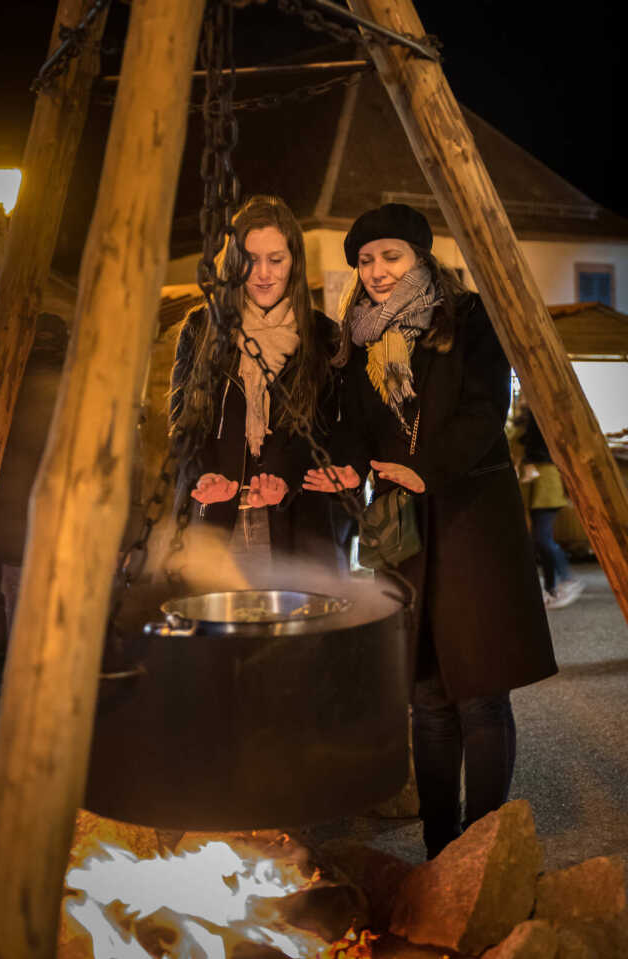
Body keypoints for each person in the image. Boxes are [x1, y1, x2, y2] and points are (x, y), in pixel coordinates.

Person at [304, 203, 558, 859]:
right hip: (403, 526)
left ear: (419, 255)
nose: (377, 270)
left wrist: (426, 470)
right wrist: (349, 468)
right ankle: (442, 848)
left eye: (389, 255)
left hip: (472, 513)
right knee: (427, 695)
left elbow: (485, 406)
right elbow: (356, 426)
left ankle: (485, 846)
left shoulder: (467, 318)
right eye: (364, 260)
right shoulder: (355, 339)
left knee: (478, 691)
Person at [170, 194, 341, 574]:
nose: (263, 273)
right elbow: (184, 424)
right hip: (216, 522)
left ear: (293, 261)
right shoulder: (203, 330)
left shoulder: (322, 337)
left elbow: (325, 433)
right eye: (251, 260)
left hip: (293, 527)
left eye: (275, 260)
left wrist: (286, 479)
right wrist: (202, 473)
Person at [514, 405, 584, 609]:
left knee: (542, 539)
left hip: (546, 481)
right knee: (542, 539)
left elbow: (535, 444)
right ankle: (554, 587)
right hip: (538, 481)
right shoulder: (531, 417)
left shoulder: (541, 415)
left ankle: (565, 580)